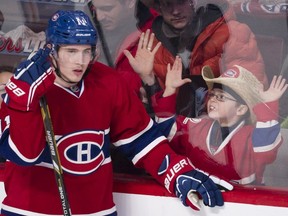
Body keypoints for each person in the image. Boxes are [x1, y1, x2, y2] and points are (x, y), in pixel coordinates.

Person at [0, 10, 232, 215]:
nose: (80, 61)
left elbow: (141, 140)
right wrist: (23, 103)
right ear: (51, 50)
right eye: (71, 51)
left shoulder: (108, 82)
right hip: (27, 211)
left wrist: (176, 172)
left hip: (97, 211)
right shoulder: (27, 85)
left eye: (86, 51)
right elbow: (24, 156)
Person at [151, 57, 287, 185]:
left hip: (242, 208)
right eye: (212, 94)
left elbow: (266, 152)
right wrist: (169, 90)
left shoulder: (251, 136)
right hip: (198, 205)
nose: (213, 99)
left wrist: (268, 106)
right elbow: (166, 131)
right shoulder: (196, 127)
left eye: (221, 96)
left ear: (241, 109)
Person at [123, 0, 268, 118]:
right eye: (167, 4)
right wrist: (149, 81)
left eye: (180, 2)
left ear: (194, 2)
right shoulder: (152, 44)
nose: (175, 11)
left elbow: (252, 95)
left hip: (224, 130)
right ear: (159, 7)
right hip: (177, 132)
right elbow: (159, 114)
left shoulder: (232, 33)